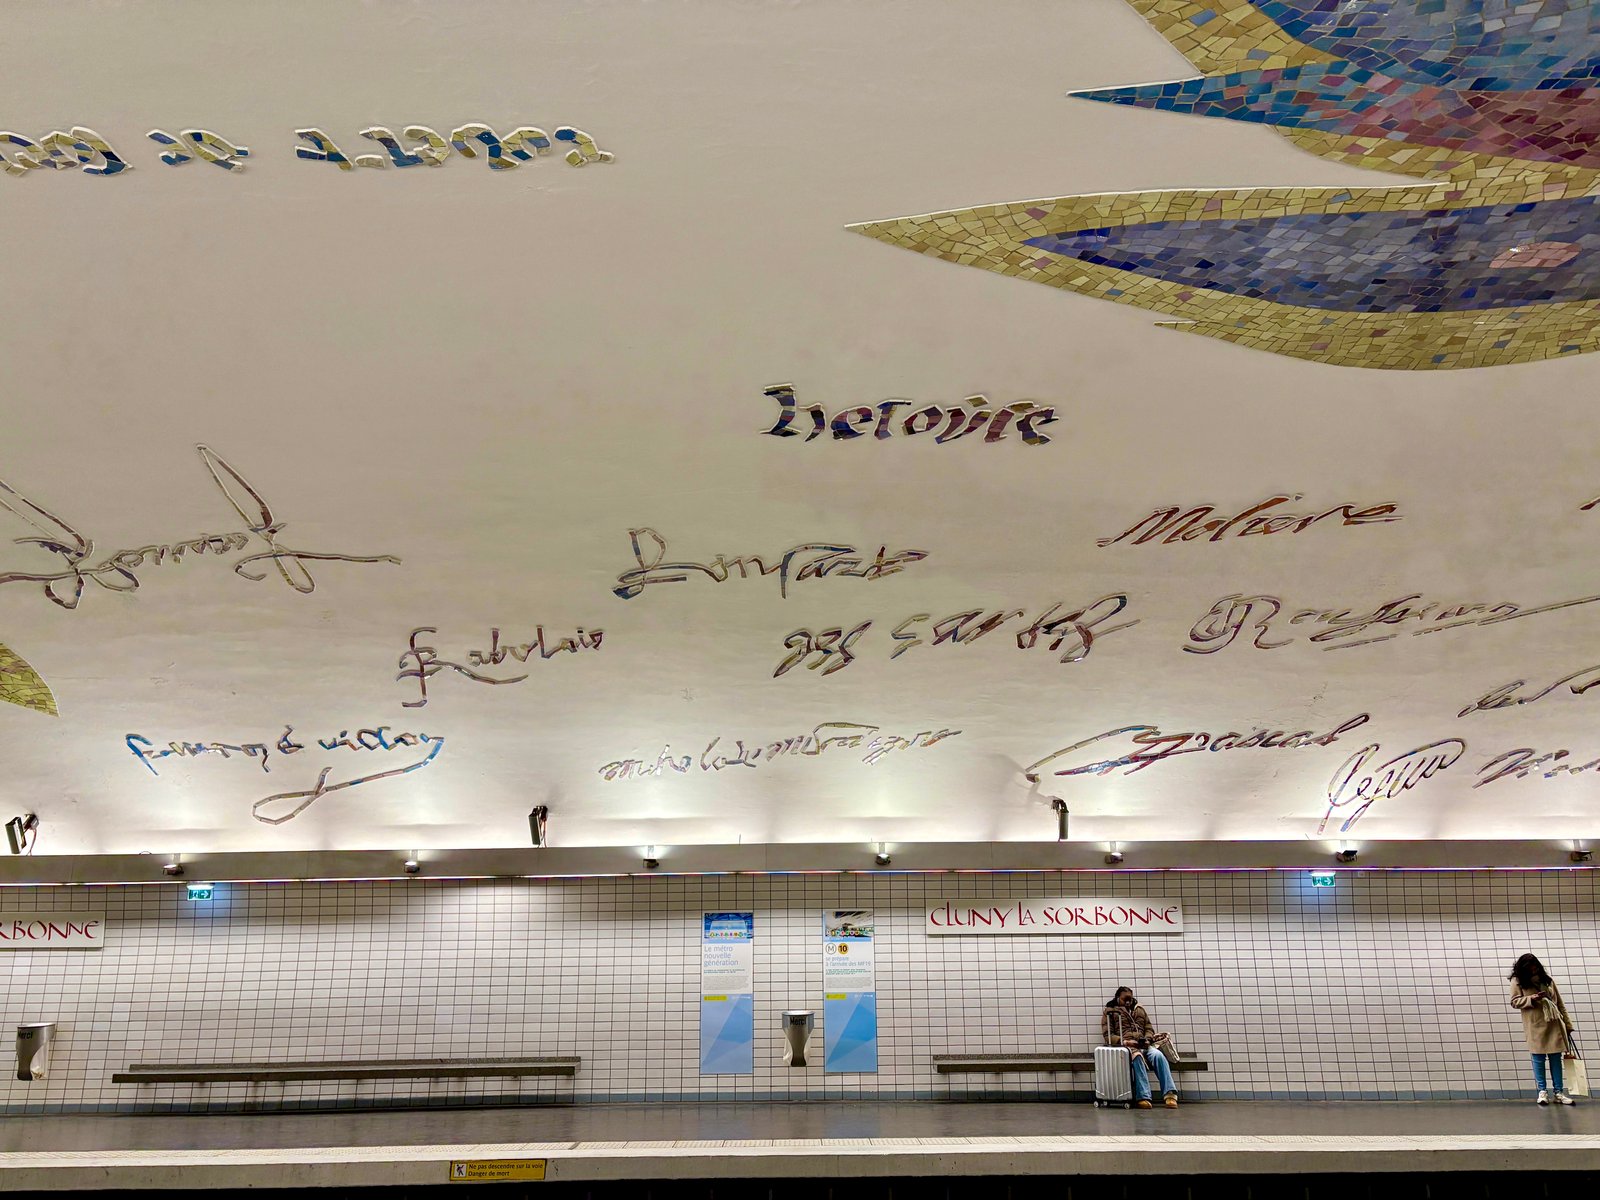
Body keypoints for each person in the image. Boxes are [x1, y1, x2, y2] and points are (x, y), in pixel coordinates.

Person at [1509, 953, 1577, 1106]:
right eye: (1530, 968)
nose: (1534, 970)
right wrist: (1532, 998)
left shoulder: (1547, 980)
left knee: (1555, 1060)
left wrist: (1568, 1025)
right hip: (1535, 1025)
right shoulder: (1518, 981)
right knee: (1538, 1059)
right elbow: (1514, 1002)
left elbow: (1559, 1004)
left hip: (1554, 1024)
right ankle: (1542, 1092)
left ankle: (1558, 1093)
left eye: (1535, 967)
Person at [1101, 986, 1178, 1109]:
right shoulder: (1110, 1011)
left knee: (1158, 1056)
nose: (1127, 1002)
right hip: (1126, 1046)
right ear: (1118, 998)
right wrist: (1125, 1042)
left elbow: (1148, 1028)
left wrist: (1148, 1039)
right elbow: (1108, 1035)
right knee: (1137, 1058)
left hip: (1144, 1044)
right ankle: (1143, 1096)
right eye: (1124, 999)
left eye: (1130, 999)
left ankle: (1170, 1095)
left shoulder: (1140, 1010)